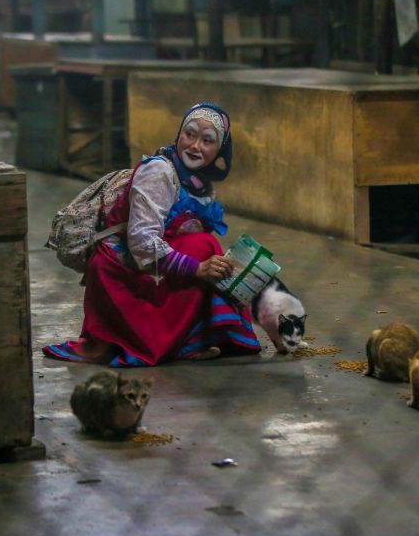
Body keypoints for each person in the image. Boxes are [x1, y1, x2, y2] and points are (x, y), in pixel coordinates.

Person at [43, 102, 262, 367]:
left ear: (219, 151)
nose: (195, 146)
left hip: (151, 271)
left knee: (206, 247)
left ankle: (189, 339)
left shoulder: (199, 184)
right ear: (179, 134)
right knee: (204, 250)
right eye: (189, 134)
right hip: (121, 275)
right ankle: (167, 339)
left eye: (207, 141)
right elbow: (142, 242)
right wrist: (198, 268)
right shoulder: (159, 172)